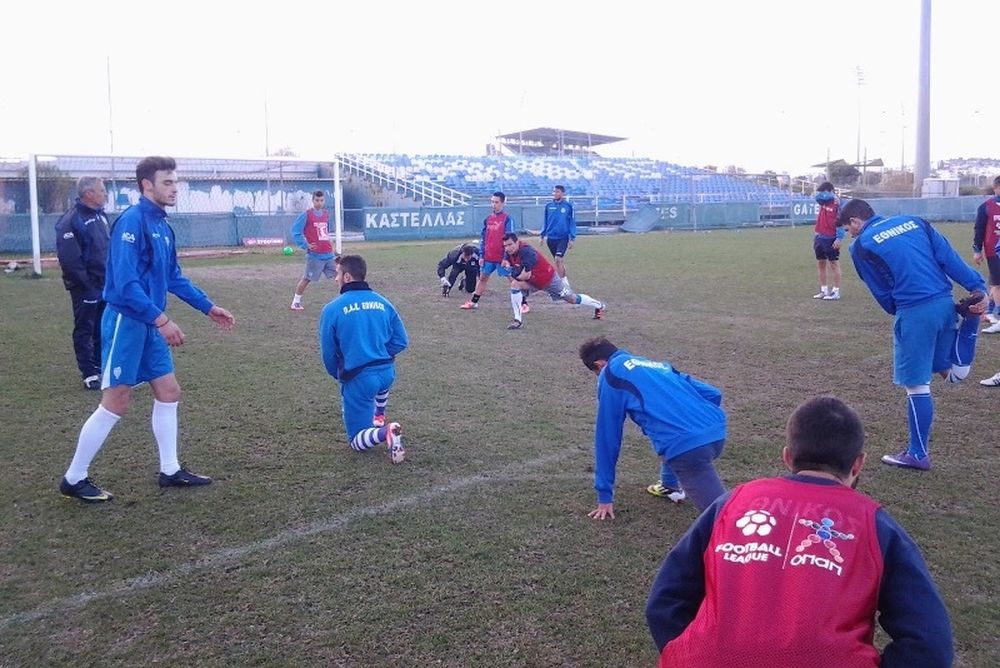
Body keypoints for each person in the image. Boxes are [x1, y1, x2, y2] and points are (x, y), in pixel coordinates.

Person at [646, 395, 954, 667]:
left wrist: (688, 653)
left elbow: (665, 599)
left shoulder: (732, 503)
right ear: (858, 464)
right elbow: (930, 643)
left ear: (787, 457)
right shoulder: (875, 524)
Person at [59, 156, 236, 503]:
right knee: (117, 401)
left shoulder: (162, 225)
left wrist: (208, 307)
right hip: (129, 321)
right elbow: (125, 285)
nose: (174, 188)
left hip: (150, 321)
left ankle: (169, 470)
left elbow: (172, 277)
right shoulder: (133, 221)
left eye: (175, 182)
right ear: (146, 185)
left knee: (169, 392)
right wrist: (162, 320)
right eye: (167, 182)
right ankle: (74, 478)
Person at [841, 198, 986, 471]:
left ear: (855, 222)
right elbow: (948, 257)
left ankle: (917, 454)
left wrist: (902, 311)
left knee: (917, 385)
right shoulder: (915, 221)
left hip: (915, 312)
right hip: (945, 303)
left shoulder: (860, 245)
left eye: (848, 228)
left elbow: (881, 291)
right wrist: (977, 285)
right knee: (951, 372)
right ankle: (969, 322)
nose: (850, 233)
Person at [578, 337, 727, 519]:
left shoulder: (610, 374)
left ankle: (748, 540)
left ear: (599, 365)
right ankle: (669, 485)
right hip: (716, 430)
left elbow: (607, 438)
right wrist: (703, 428)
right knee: (667, 435)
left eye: (596, 373)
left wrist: (604, 496)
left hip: (689, 449)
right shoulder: (656, 365)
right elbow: (713, 393)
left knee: (723, 515)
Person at [319, 255, 408, 463]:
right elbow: (401, 341)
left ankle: (386, 431)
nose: (336, 279)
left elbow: (328, 354)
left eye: (338, 274)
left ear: (347, 277)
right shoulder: (383, 302)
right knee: (379, 386)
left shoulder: (332, 309)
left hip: (359, 378)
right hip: (387, 373)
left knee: (356, 441)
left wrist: (341, 375)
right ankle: (379, 415)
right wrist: (381, 353)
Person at [55, 176, 111, 390]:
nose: (105, 194)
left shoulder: (101, 216)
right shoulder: (71, 221)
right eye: (102, 190)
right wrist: (87, 285)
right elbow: (70, 260)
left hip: (105, 285)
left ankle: (100, 366)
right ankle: (88, 373)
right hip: (86, 287)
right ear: (89, 194)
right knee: (85, 328)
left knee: (102, 327)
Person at [502, 233, 605, 330]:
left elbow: (525, 275)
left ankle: (599, 305)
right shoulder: (509, 252)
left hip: (549, 279)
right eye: (505, 246)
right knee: (515, 285)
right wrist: (506, 262)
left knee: (572, 299)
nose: (507, 248)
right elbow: (506, 258)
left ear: (517, 242)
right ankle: (517, 320)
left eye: (510, 245)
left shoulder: (527, 252)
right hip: (533, 281)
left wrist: (512, 272)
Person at [460, 192, 526, 312]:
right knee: (483, 278)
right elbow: (484, 238)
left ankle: (523, 303)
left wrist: (506, 258)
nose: (493, 204)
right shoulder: (488, 219)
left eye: (496, 202)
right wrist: (481, 255)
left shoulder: (507, 219)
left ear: (503, 203)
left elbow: (509, 240)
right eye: (492, 202)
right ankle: (474, 302)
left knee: (513, 279)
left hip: (502, 257)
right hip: (488, 257)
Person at [289, 190, 336, 311]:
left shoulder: (326, 214)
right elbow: (295, 231)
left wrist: (330, 245)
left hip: (328, 254)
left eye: (321, 200)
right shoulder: (306, 215)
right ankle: (295, 302)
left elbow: (325, 232)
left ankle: (346, 300)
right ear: (312, 200)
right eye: (317, 200)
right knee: (306, 279)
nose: (319, 203)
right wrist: (305, 245)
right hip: (315, 256)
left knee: (340, 274)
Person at [973, 175, 1000, 333]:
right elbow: (979, 229)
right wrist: (977, 250)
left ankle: (990, 311)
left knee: (996, 284)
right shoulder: (986, 207)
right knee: (997, 284)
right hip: (994, 251)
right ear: (995, 187)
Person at [811, 181, 844, 300]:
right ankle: (823, 290)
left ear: (830, 191)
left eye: (824, 192)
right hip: (819, 237)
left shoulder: (838, 204)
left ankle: (836, 291)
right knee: (821, 263)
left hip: (831, 238)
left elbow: (841, 222)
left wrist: (839, 238)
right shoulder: (823, 201)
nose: (821, 194)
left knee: (834, 264)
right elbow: (817, 196)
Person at [541, 185, 576, 286]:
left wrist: (572, 238)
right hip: (551, 238)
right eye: (554, 191)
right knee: (558, 262)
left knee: (558, 259)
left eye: (557, 192)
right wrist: (542, 236)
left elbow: (572, 222)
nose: (555, 193)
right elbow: (545, 221)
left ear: (563, 193)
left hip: (563, 237)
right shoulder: (548, 206)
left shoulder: (568, 206)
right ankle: (564, 279)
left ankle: (561, 286)